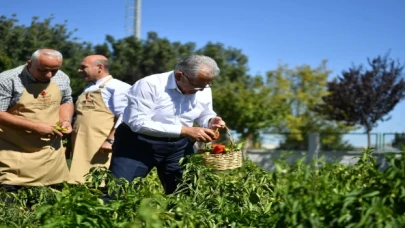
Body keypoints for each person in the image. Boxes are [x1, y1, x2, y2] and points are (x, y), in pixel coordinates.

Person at [107, 54, 226, 198]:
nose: (201, 90)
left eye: (206, 85)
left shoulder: (203, 87)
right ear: (179, 76)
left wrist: (210, 121)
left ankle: (177, 219)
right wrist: (185, 130)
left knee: (185, 194)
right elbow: (138, 123)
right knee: (118, 191)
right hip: (138, 143)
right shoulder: (149, 85)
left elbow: (204, 113)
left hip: (178, 146)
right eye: (196, 86)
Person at [0, 49, 73, 192]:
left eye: (54, 71)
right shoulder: (7, 79)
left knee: (49, 205)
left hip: (49, 152)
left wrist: (66, 120)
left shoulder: (62, 78)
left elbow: (66, 101)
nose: (49, 75)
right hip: (14, 150)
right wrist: (35, 127)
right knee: (12, 204)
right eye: (43, 70)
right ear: (29, 63)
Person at [69, 55, 131, 184]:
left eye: (83, 67)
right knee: (80, 182)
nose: (79, 70)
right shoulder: (89, 88)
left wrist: (110, 140)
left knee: (98, 182)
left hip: (100, 146)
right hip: (81, 144)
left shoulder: (118, 87)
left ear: (100, 67)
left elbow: (126, 116)